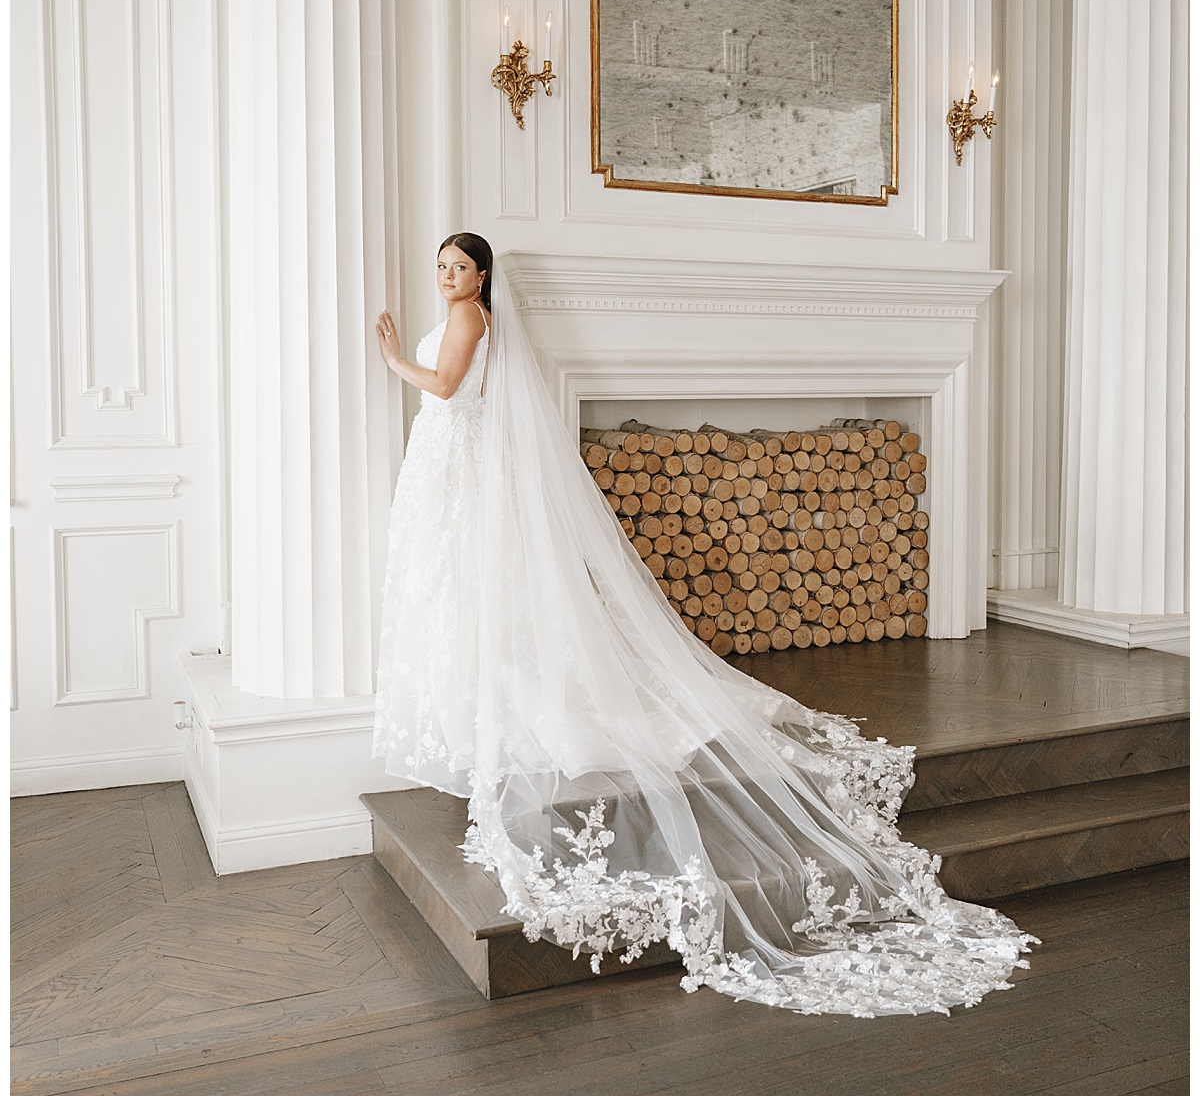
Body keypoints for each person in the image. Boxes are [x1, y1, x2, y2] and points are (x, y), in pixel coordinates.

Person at [374, 234, 1036, 1016]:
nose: (447, 276)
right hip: (458, 468)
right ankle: (487, 699)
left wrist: (393, 362)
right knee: (472, 596)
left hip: (456, 459)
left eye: (459, 267)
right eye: (442, 267)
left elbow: (447, 390)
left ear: (482, 277)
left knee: (475, 594)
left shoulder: (469, 321)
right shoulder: (478, 316)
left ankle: (502, 705)